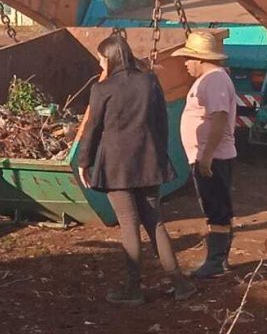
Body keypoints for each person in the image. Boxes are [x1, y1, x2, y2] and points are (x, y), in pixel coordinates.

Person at [77, 34, 196, 305]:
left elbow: (92, 130)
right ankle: (180, 284)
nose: (100, 64)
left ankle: (132, 290)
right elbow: (161, 122)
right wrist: (158, 155)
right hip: (148, 161)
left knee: (129, 223)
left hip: (116, 166)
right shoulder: (149, 81)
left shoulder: (102, 89)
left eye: (101, 59)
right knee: (155, 222)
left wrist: (85, 162)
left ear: (110, 58)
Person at [173, 31, 237, 279]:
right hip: (209, 156)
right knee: (216, 205)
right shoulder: (211, 79)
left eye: (187, 59)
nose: (185, 64)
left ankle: (216, 262)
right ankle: (218, 259)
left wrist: (207, 156)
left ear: (199, 59)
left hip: (214, 158)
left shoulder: (214, 80)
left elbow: (219, 117)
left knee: (216, 208)